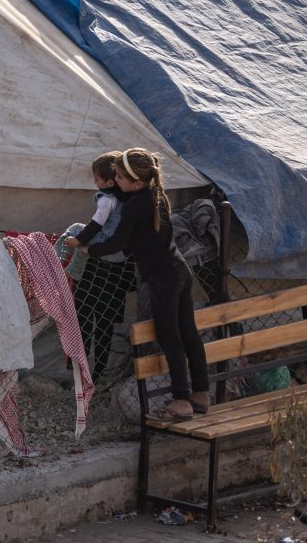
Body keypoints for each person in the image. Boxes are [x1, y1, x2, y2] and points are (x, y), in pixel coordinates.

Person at [65, 148, 209, 420]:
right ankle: (200, 394)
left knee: (170, 337)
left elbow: (118, 242)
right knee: (189, 332)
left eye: (120, 177)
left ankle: (181, 400)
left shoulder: (134, 206)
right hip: (179, 270)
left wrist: (87, 249)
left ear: (137, 182)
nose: (115, 180)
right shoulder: (157, 196)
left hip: (162, 278)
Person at [69, 151, 134, 383]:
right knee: (104, 323)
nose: (95, 183)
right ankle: (96, 374)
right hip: (117, 268)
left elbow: (96, 224)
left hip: (98, 267)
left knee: (85, 317)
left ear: (109, 180)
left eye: (97, 179)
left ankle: (81, 374)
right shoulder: (130, 199)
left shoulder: (107, 199)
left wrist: (78, 242)